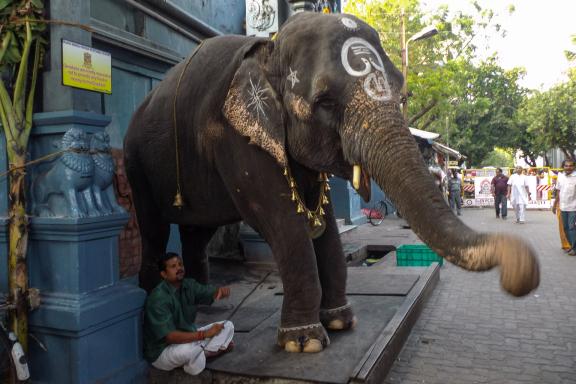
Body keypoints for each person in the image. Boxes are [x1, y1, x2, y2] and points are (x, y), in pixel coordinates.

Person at [144, 252, 234, 375]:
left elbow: (206, 292)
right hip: (163, 351)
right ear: (164, 274)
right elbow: (170, 337)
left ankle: (201, 354)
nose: (179, 268)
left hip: (190, 337)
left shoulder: (189, 285)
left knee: (227, 325)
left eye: (180, 264)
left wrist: (219, 291)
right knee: (189, 351)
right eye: (173, 266)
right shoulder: (158, 298)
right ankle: (212, 351)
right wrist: (205, 334)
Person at [552, 159, 576, 255]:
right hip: (563, 207)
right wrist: (554, 205)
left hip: (574, 207)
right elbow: (558, 192)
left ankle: (574, 248)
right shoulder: (560, 177)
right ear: (563, 167)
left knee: (571, 228)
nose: (568, 168)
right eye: (566, 166)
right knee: (565, 228)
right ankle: (572, 246)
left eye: (570, 166)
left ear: (574, 167)